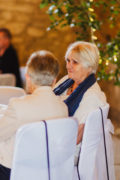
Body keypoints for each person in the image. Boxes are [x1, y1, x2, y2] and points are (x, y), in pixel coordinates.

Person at [0, 50, 68, 180]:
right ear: (54, 80)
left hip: (13, 170)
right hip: (46, 168)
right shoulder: (62, 108)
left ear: (28, 77)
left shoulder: (18, 105)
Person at [54, 41, 108, 165]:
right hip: (55, 135)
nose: (68, 66)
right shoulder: (67, 80)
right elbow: (48, 102)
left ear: (89, 66)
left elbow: (75, 137)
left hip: (67, 152)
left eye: (75, 62)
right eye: (68, 60)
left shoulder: (91, 96)